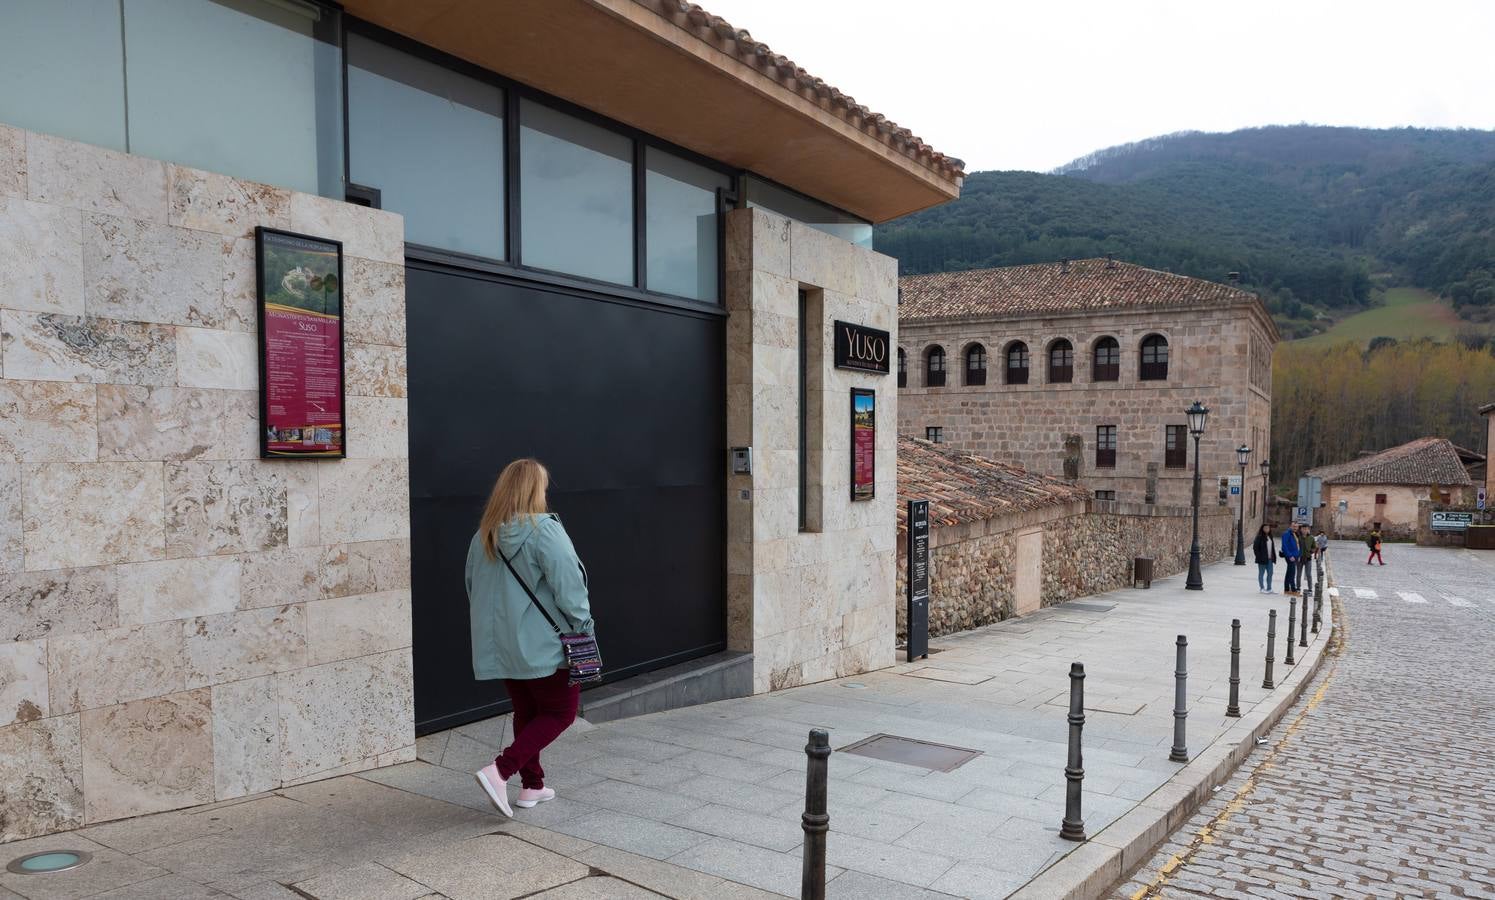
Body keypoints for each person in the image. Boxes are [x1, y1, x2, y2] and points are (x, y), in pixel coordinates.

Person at [467, 458, 593, 818]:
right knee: (561, 712)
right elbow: (570, 588)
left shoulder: (483, 535)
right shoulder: (545, 531)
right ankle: (500, 771)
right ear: (535, 490)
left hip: (502, 645)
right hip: (546, 644)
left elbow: (472, 588)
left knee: (527, 711)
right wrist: (583, 627)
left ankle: (532, 785)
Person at [1253, 523, 1277, 593]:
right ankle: (1262, 588)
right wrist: (1259, 556)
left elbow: (1272, 548)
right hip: (1262, 559)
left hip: (1270, 559)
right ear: (1262, 529)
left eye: (1268, 528)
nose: (1267, 529)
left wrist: (1274, 557)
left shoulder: (1270, 537)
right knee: (1261, 573)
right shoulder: (1259, 537)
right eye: (1265, 528)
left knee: (1270, 573)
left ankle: (1269, 588)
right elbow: (1255, 548)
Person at [1280, 523, 1300, 594]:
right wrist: (1289, 556)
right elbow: (1284, 546)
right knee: (1292, 573)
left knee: (1289, 572)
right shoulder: (1287, 534)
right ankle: (1293, 589)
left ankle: (1287, 589)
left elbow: (1297, 545)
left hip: (1295, 556)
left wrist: (1298, 555)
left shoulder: (1295, 534)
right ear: (1290, 526)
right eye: (1294, 526)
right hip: (1290, 556)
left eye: (1296, 527)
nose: (1295, 528)